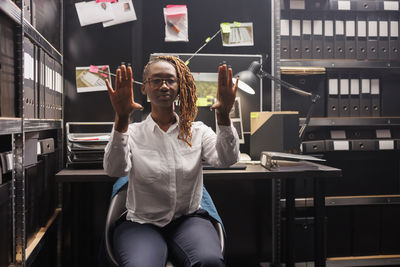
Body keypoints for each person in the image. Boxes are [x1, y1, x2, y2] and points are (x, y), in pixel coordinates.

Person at [103, 55, 240, 267]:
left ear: (179, 86)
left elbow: (227, 159)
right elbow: (114, 169)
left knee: (209, 261)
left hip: (188, 220)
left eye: (170, 80)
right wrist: (121, 119)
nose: (164, 86)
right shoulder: (133, 133)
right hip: (142, 224)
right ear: (144, 88)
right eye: (156, 80)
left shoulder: (198, 131)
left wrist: (224, 115)